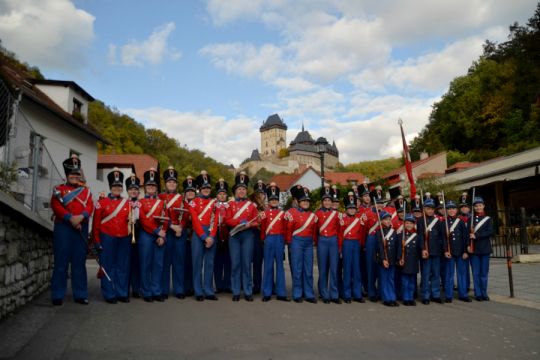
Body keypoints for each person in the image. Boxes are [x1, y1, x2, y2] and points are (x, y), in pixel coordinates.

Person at [50, 154, 94, 305]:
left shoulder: (86, 192)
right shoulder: (58, 190)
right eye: (72, 174)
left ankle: (80, 294)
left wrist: (81, 217)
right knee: (61, 263)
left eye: (77, 174)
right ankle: (57, 294)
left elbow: (90, 206)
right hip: (63, 229)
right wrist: (70, 218)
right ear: (67, 175)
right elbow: (55, 206)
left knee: (79, 263)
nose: (75, 176)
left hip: (80, 228)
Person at [92, 168, 131, 303]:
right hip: (107, 237)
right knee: (107, 266)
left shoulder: (128, 203)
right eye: (114, 186)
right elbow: (96, 224)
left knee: (122, 267)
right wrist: (96, 241)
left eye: (119, 186)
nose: (117, 188)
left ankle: (122, 293)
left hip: (124, 238)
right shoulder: (101, 203)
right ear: (110, 187)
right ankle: (109, 294)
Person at [226, 172, 259, 301]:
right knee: (235, 264)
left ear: (246, 191)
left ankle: (247, 291)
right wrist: (240, 222)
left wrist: (249, 225)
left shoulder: (251, 205)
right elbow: (227, 220)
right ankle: (235, 291)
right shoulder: (230, 205)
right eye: (239, 189)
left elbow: (257, 221)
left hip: (247, 236)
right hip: (234, 236)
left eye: (244, 189)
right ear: (235, 191)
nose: (241, 191)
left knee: (246, 264)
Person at [138, 168, 168, 302]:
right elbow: (143, 220)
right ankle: (146, 292)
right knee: (146, 264)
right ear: (145, 187)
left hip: (159, 236)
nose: (151, 187)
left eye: (153, 185)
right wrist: (157, 232)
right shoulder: (140, 202)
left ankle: (156, 291)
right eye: (149, 185)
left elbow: (165, 219)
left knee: (158, 264)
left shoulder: (162, 203)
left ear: (156, 188)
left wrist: (162, 235)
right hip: (146, 235)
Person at [188, 171, 219, 301]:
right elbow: (194, 221)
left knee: (210, 263)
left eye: (208, 188)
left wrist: (211, 236)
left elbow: (216, 220)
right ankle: (198, 291)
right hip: (198, 234)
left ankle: (208, 289)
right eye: (204, 188)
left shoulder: (215, 203)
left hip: (211, 233)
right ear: (199, 188)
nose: (206, 190)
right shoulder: (193, 202)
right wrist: (203, 237)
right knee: (197, 263)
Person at [286, 186, 318, 303]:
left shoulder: (313, 216)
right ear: (298, 202)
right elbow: (289, 230)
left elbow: (314, 232)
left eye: (307, 201)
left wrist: (313, 242)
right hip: (296, 242)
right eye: (303, 201)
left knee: (308, 270)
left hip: (308, 243)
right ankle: (297, 293)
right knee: (297, 269)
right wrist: (290, 244)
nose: (306, 203)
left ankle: (309, 294)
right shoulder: (291, 214)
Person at [259, 183, 290, 302]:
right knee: (268, 266)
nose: (274, 201)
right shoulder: (264, 214)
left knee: (280, 267)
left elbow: (286, 228)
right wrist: (263, 240)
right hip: (269, 239)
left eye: (276, 199)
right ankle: (267, 292)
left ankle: (281, 292)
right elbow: (262, 229)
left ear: (278, 200)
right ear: (268, 201)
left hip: (279, 240)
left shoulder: (283, 214)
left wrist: (285, 241)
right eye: (272, 200)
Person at [159, 166, 184, 300]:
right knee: (165, 261)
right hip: (166, 231)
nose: (172, 184)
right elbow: (158, 215)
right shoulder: (160, 197)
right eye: (169, 182)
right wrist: (171, 226)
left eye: (174, 182)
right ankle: (164, 289)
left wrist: (180, 227)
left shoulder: (182, 198)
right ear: (165, 184)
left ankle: (179, 289)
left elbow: (186, 216)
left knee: (178, 261)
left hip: (179, 233)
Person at [315, 186, 341, 304]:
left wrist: (339, 245)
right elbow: (314, 230)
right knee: (323, 268)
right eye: (325, 200)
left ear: (332, 202)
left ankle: (334, 294)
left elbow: (340, 231)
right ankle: (324, 293)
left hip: (333, 242)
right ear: (322, 202)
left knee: (334, 269)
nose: (327, 202)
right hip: (322, 242)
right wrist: (317, 242)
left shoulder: (337, 214)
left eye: (329, 200)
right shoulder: (317, 214)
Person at [443, 200, 471, 302]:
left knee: (462, 274)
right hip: (450, 253)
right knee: (449, 274)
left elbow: (465, 237)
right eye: (449, 209)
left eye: (453, 208)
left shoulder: (460, 222)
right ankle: (448, 295)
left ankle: (463, 294)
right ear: (446, 210)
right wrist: (445, 250)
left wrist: (465, 251)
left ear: (456, 210)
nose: (451, 210)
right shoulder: (444, 222)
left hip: (460, 252)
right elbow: (443, 239)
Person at [340, 192, 365, 304]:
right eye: (349, 208)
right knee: (347, 269)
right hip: (346, 244)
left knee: (357, 270)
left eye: (353, 208)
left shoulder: (359, 219)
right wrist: (340, 247)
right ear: (346, 209)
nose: (352, 210)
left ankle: (357, 294)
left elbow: (362, 234)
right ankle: (347, 294)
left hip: (356, 244)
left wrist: (361, 245)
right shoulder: (342, 219)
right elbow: (340, 234)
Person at [418, 198, 444, 305]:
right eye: (428, 208)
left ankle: (436, 294)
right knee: (426, 274)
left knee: (436, 274)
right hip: (426, 251)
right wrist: (423, 249)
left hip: (436, 251)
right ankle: (425, 295)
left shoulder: (438, 221)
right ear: (424, 209)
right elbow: (419, 237)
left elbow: (441, 236)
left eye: (432, 209)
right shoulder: (420, 221)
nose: (430, 211)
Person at [468, 196, 493, 302]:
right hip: (474, 250)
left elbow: (490, 232)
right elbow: (466, 234)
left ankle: (484, 292)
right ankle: (478, 293)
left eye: (480, 205)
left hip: (485, 249)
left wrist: (476, 235)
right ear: (474, 208)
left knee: (484, 273)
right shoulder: (470, 219)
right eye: (476, 206)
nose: (478, 207)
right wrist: (468, 245)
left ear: (483, 206)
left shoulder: (488, 219)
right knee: (476, 273)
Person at [376, 211, 401, 306]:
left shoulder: (394, 232)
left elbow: (397, 246)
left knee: (391, 279)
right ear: (381, 221)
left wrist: (398, 258)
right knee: (384, 279)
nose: (387, 221)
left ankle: (392, 297)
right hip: (384, 260)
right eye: (385, 219)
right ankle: (386, 298)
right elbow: (380, 248)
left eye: (389, 219)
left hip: (392, 259)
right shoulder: (379, 233)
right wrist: (383, 259)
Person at [398, 215, 423, 306]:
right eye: (407, 223)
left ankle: (411, 298)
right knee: (405, 282)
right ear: (404, 224)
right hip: (405, 261)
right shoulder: (400, 235)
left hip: (413, 261)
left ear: (413, 225)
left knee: (412, 282)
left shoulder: (417, 236)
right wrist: (400, 258)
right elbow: (399, 249)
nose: (409, 225)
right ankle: (406, 298)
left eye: (411, 223)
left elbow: (420, 248)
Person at [214, 178, 232, 294]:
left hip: (229, 235)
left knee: (229, 261)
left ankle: (228, 285)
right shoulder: (213, 206)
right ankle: (219, 285)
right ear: (217, 195)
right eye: (220, 194)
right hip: (216, 235)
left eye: (224, 194)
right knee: (217, 262)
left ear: (226, 195)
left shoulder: (230, 206)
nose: (222, 196)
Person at [126, 174, 142, 298]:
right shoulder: (123, 203)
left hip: (139, 235)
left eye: (136, 189)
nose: (134, 191)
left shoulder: (142, 204)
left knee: (137, 262)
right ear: (127, 191)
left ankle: (136, 288)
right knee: (125, 262)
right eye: (131, 189)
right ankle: (124, 288)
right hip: (126, 236)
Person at [182, 176, 197, 297]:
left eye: (192, 191)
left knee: (195, 263)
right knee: (184, 262)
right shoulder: (181, 204)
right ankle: (185, 287)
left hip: (196, 235)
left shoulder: (198, 203)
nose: (190, 193)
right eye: (188, 191)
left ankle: (193, 286)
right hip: (183, 235)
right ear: (185, 193)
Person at [251, 180, 266, 294]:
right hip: (253, 234)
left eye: (263, 193)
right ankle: (253, 285)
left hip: (264, 236)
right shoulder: (251, 205)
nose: (261, 195)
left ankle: (260, 284)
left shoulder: (267, 206)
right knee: (253, 261)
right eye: (259, 193)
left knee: (261, 262)